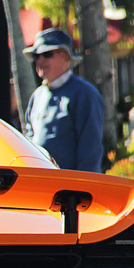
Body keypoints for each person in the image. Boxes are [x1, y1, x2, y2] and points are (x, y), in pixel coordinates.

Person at [21, 28, 105, 172]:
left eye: (46, 54)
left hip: (69, 190)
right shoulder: (37, 96)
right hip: (39, 186)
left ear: (66, 57)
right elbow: (28, 143)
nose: (39, 60)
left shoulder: (84, 93)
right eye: (36, 56)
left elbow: (91, 150)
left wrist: (81, 190)